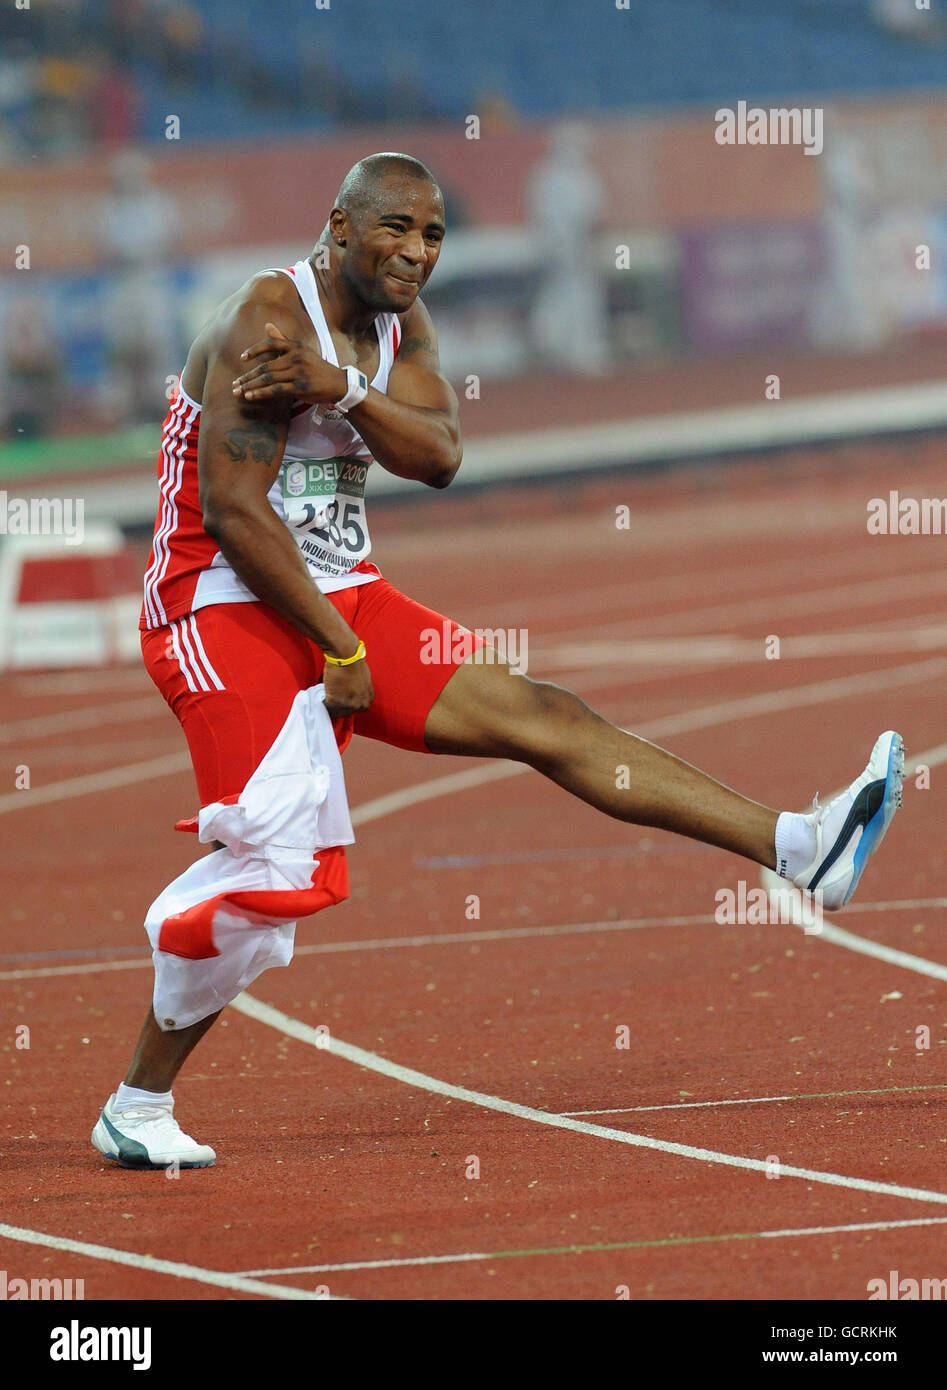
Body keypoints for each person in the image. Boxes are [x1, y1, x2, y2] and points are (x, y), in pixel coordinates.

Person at [91, 153, 904, 1170]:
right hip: (215, 600)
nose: (415, 252)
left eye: (432, 235)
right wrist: (337, 646)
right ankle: (137, 1099)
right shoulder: (266, 320)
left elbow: (436, 456)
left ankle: (797, 846)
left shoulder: (399, 321)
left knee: (542, 713)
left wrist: (341, 388)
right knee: (272, 865)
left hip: (336, 589)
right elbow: (235, 513)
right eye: (394, 229)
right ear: (337, 225)